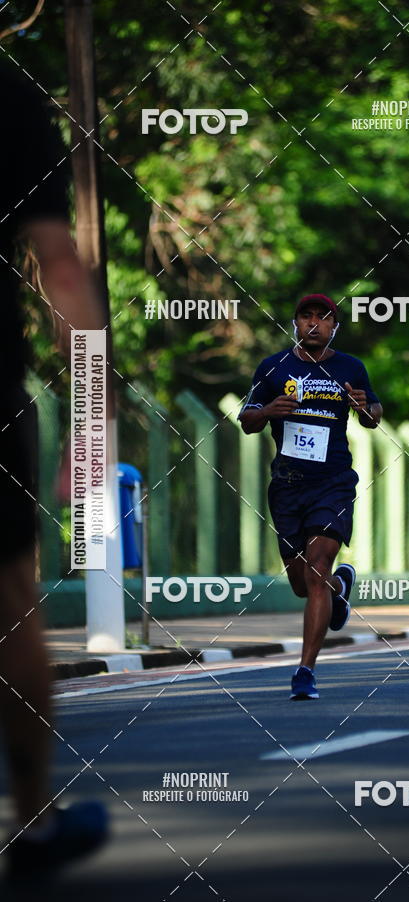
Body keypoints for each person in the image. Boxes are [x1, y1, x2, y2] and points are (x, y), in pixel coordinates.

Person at [0, 61, 109, 882]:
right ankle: (34, 820)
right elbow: (60, 267)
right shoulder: (9, 97)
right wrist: (91, 418)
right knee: (9, 601)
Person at [239, 294, 382, 699]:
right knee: (303, 584)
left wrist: (365, 408)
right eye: (306, 316)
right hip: (287, 486)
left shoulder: (350, 367)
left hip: (333, 482)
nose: (314, 324)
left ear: (334, 326)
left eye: (324, 317)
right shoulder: (273, 367)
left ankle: (305, 671)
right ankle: (339, 588)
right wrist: (268, 411)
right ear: (295, 323)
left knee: (317, 569)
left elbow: (373, 415)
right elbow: (247, 420)